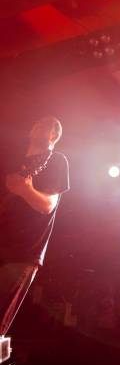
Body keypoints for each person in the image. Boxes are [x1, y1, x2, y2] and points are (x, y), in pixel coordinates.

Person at [0, 116, 69, 338]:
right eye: (39, 123)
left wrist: (26, 190)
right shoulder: (11, 159)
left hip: (22, 251)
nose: (42, 127)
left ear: (55, 137)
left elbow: (48, 204)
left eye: (49, 127)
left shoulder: (57, 161)